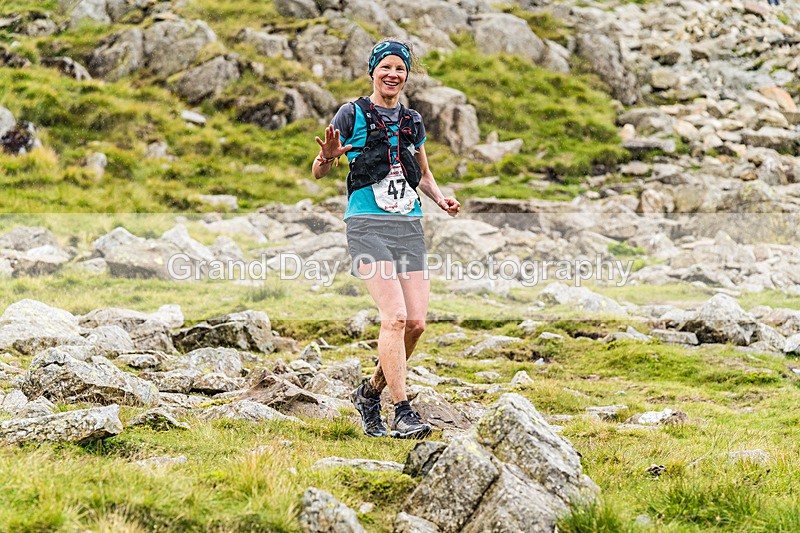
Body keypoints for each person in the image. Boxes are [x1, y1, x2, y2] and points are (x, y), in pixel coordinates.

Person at [312, 39, 461, 438]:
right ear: (373, 70)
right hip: (366, 225)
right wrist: (327, 156)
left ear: (406, 74)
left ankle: (369, 392)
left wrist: (440, 199)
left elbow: (424, 173)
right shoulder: (352, 113)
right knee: (393, 317)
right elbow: (318, 171)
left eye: (400, 68)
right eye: (386, 67)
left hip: (408, 226)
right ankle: (404, 410)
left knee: (415, 324)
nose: (393, 74)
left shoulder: (413, 120)